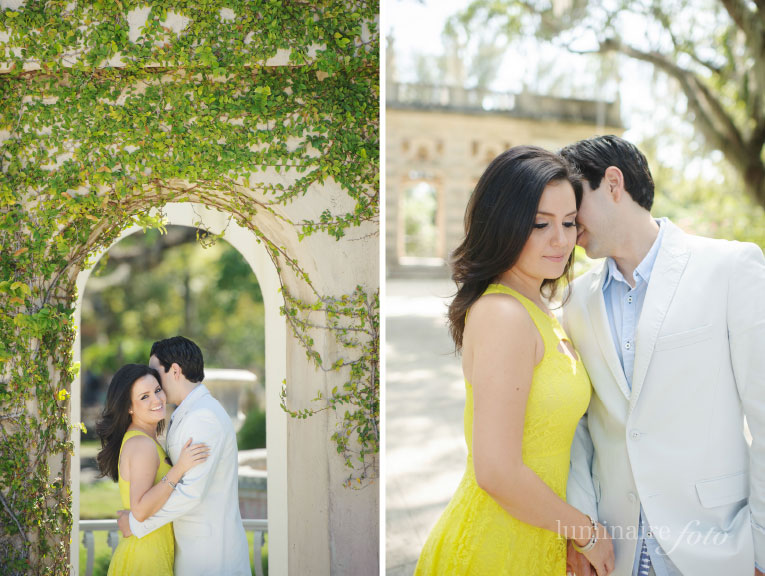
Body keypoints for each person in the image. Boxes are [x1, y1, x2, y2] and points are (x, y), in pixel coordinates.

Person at [560, 135, 765, 576]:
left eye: (574, 202)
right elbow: (577, 426)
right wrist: (581, 529)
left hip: (719, 544)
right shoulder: (575, 300)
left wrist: (763, 551)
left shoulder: (730, 268)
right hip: (617, 549)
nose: (568, 224)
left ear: (613, 184)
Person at [414, 145, 615, 575]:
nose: (561, 240)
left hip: (537, 537)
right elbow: (496, 470)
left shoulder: (539, 306)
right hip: (494, 547)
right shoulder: (503, 313)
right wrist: (587, 533)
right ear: (503, 223)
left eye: (568, 223)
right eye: (540, 224)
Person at [116, 336, 250, 576]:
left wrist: (136, 524)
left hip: (209, 555)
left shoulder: (203, 416)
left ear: (175, 371)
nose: (153, 380)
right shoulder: (187, 411)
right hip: (190, 551)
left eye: (157, 374)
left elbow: (191, 492)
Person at [95, 363, 210, 576]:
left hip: (153, 553)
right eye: (144, 397)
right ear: (129, 407)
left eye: (157, 390)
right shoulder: (142, 445)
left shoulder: (145, 440)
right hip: (145, 559)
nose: (157, 400)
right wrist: (180, 468)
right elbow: (139, 510)